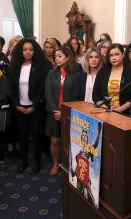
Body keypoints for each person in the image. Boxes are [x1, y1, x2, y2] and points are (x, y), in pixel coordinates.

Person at [8, 38, 49, 174]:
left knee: (36, 135)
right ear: (21, 51)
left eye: (31, 49)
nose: (28, 52)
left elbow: (41, 88)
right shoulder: (14, 66)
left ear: (35, 51)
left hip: (35, 108)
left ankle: (36, 162)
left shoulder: (40, 67)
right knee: (23, 136)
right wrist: (16, 105)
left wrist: (34, 106)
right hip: (19, 107)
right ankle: (23, 161)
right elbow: (11, 89)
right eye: (25, 49)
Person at [45, 44, 82, 176]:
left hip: (70, 113)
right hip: (53, 112)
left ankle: (69, 165)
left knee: (70, 141)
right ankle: (55, 163)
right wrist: (56, 111)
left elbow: (77, 96)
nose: (56, 58)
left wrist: (64, 112)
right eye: (55, 56)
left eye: (59, 56)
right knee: (55, 141)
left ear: (67, 58)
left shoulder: (77, 74)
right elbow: (48, 93)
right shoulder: (51, 73)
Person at [92, 43, 131, 114]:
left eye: (117, 54)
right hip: (104, 113)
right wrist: (104, 107)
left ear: (123, 54)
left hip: (125, 114)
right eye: (111, 55)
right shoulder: (102, 71)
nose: (114, 58)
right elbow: (95, 95)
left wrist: (120, 109)